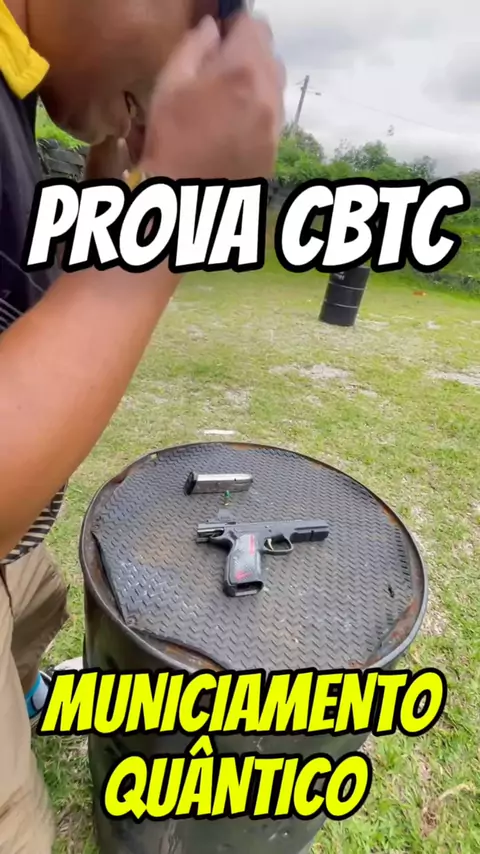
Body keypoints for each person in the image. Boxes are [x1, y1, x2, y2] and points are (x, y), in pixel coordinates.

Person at [0, 0, 284, 850]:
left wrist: (105, 186)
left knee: (39, 606)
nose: (180, 85)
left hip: (16, 551)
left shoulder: (17, 86)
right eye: (203, 26)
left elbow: (32, 317)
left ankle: (20, 688)